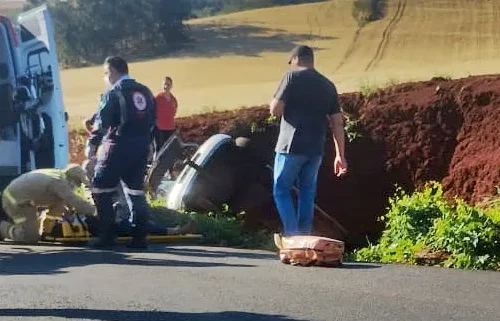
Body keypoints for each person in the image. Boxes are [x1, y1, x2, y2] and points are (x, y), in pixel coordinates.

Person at [270, 45, 348, 237]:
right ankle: (304, 235)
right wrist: (340, 156)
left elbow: (275, 110)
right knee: (307, 193)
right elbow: (337, 123)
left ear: (297, 59)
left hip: (290, 146)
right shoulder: (328, 85)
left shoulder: (291, 77)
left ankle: (292, 235)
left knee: (281, 190)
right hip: (315, 149)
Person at [86, 56, 156, 249]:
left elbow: (102, 123)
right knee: (135, 191)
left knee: (100, 188)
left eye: (106, 73)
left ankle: (107, 236)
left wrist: (91, 146)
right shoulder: (146, 92)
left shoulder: (113, 93)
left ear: (114, 72)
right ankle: (139, 238)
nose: (105, 77)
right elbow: (152, 122)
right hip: (140, 147)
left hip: (117, 147)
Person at [0, 164, 96, 244]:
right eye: (78, 183)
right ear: (72, 179)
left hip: (25, 200)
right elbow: (75, 201)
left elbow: (67, 202)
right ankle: (2, 228)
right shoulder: (58, 182)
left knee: (60, 202)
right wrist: (97, 212)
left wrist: (70, 211)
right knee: (29, 237)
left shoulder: (59, 176)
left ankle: (47, 229)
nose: (77, 187)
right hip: (15, 201)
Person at [154, 76, 178, 153]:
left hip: (170, 129)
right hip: (159, 129)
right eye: (164, 84)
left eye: (168, 84)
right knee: (159, 150)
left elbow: (174, 113)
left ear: (171, 86)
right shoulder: (157, 98)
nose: (166, 86)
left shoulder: (173, 100)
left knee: (169, 151)